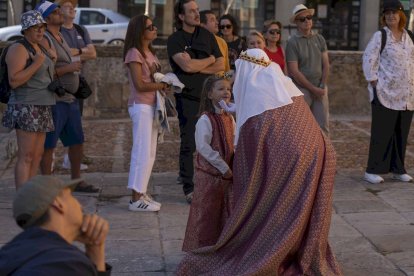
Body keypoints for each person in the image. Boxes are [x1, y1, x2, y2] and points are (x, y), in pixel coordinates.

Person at [176, 48, 342, 275]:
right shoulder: (283, 86)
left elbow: (248, 159)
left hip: (293, 159)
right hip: (318, 153)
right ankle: (297, 249)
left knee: (275, 210)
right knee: (300, 209)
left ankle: (275, 251)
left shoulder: (257, 103)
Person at [36, 1, 98, 193]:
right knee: (49, 145)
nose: (59, 13)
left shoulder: (61, 36)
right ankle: (47, 185)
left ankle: (76, 180)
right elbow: (43, 72)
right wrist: (69, 69)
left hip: (70, 99)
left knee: (77, 141)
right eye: (55, 12)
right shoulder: (45, 39)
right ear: (46, 19)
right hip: (55, 100)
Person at [167, 0, 224, 203]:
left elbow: (221, 63)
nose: (196, 14)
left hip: (209, 98)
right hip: (188, 98)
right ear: (181, 16)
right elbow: (187, 67)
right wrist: (208, 59)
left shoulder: (206, 35)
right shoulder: (175, 39)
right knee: (189, 143)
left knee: (214, 142)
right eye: (191, 11)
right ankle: (189, 188)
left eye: (197, 10)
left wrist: (196, 63)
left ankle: (212, 182)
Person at [0, 175, 111, 275]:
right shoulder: (67, 264)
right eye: (71, 196)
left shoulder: (8, 254)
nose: (81, 206)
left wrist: (95, 249)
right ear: (58, 204)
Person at [1, 10, 56, 189]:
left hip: (43, 104)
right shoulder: (18, 48)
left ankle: (30, 195)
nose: (40, 31)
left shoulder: (40, 47)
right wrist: (37, 63)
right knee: (26, 156)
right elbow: (14, 81)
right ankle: (22, 199)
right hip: (26, 105)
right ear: (25, 30)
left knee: (37, 155)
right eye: (35, 28)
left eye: (42, 27)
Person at [362, 0, 414, 184]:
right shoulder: (380, 36)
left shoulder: (409, 37)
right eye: (388, 13)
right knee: (381, 133)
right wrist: (374, 81)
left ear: (401, 15)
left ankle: (398, 169)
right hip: (385, 93)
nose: (391, 15)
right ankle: (372, 170)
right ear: (384, 16)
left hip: (407, 96)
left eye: (395, 12)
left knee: (401, 133)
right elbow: (369, 58)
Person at [182, 74, 235, 251]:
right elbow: (204, 148)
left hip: (225, 175)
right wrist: (223, 167)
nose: (226, 92)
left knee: (223, 210)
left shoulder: (229, 117)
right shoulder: (205, 120)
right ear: (209, 94)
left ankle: (219, 245)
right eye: (220, 89)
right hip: (209, 174)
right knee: (207, 212)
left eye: (228, 89)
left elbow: (233, 141)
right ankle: (201, 247)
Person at [123, 15, 171, 212]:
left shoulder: (149, 52)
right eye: (150, 27)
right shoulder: (134, 53)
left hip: (153, 104)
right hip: (141, 106)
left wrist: (162, 82)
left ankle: (142, 192)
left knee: (150, 153)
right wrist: (162, 84)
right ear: (140, 32)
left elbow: (153, 77)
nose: (154, 29)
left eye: (154, 25)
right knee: (141, 151)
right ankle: (135, 198)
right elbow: (140, 85)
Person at [58, 0, 97, 171]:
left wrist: (77, 52)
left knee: (75, 122)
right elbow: (59, 56)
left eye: (73, 6)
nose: (72, 8)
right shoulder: (56, 31)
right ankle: (48, 161)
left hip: (77, 82)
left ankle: (69, 159)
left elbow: (93, 53)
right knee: (55, 123)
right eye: (67, 5)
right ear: (59, 10)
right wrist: (81, 52)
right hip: (58, 83)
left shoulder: (81, 30)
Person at [286, 4, 330, 135]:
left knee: (323, 126)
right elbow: (294, 71)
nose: (306, 21)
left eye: (309, 17)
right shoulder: (292, 42)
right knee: (301, 127)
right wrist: (313, 89)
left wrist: (321, 86)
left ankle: (325, 155)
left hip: (320, 87)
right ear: (296, 23)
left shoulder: (320, 38)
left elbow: (326, 64)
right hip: (302, 90)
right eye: (302, 19)